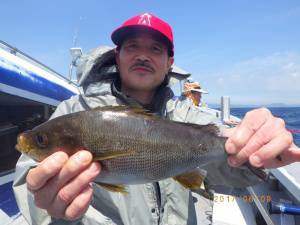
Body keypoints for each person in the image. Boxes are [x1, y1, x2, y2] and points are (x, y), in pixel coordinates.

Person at [13, 12, 300, 225]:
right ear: (118, 55)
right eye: (132, 46)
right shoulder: (73, 111)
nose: (142, 56)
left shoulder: (188, 115)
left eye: (155, 49)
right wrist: (45, 203)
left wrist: (256, 154)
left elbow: (228, 164)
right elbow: (27, 181)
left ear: (169, 63)